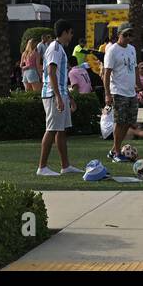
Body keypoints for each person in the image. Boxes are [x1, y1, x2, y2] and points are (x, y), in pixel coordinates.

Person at [36, 19, 83, 176]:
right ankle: (42, 167)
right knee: (51, 129)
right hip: (52, 95)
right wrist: (58, 97)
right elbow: (51, 72)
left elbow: (59, 76)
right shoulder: (55, 48)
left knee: (60, 130)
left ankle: (65, 166)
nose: (71, 37)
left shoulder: (59, 48)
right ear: (65, 32)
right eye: (70, 33)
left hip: (59, 93)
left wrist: (68, 97)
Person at [103, 26, 140, 162]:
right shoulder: (112, 50)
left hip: (131, 92)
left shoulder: (132, 49)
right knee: (119, 122)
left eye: (130, 35)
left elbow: (135, 68)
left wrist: (139, 85)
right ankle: (117, 153)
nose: (128, 38)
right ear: (119, 34)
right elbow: (106, 74)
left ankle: (114, 150)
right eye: (125, 35)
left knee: (128, 122)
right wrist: (107, 94)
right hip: (118, 91)